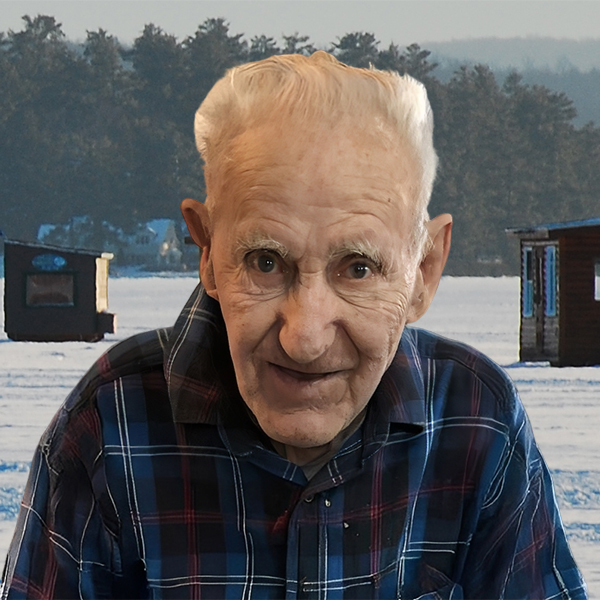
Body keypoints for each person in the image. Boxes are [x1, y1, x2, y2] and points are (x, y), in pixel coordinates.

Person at [1, 51, 586, 600]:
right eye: (265, 262)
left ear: (423, 271)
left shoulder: (477, 420)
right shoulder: (110, 425)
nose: (304, 338)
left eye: (358, 268)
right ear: (207, 252)